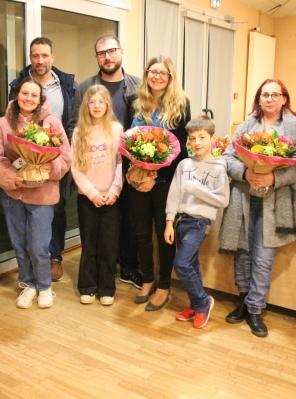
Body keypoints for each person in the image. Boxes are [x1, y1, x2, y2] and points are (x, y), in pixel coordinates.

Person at [219, 78, 296, 337]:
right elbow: (227, 157)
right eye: (265, 95)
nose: (269, 99)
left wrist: (274, 178)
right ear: (259, 99)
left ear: (284, 99)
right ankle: (244, 301)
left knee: (262, 258)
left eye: (275, 95)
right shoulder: (247, 125)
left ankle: (256, 308)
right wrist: (245, 174)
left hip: (275, 203)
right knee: (242, 254)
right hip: (244, 199)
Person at [0, 77, 71, 309]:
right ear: (17, 95)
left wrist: (47, 168)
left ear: (41, 99)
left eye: (34, 95)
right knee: (20, 244)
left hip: (43, 195)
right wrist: (14, 178)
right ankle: (27, 284)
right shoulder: (2, 124)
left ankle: (44, 286)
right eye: (25, 93)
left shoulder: (51, 123)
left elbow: (65, 157)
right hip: (13, 195)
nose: (29, 98)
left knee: (39, 245)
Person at [68, 34, 143, 289]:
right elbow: (74, 126)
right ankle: (94, 281)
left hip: (124, 171)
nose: (107, 56)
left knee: (125, 228)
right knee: (93, 236)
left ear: (121, 51)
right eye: (101, 52)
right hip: (92, 173)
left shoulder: (136, 86)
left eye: (111, 50)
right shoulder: (84, 88)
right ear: (97, 57)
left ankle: (125, 270)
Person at [9, 37, 77, 283]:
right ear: (30, 58)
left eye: (44, 55)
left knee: (56, 209)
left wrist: (59, 156)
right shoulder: (18, 84)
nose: (40, 60)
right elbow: (13, 118)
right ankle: (30, 263)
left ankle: (54, 257)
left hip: (55, 156)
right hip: (23, 159)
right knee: (25, 211)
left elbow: (72, 120)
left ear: (52, 57)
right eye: (35, 56)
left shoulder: (67, 84)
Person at [128, 55, 191, 311]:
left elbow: (180, 149)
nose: (156, 76)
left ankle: (164, 285)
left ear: (170, 77)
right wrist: (132, 172)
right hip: (138, 177)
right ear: (146, 74)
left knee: (163, 233)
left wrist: (157, 177)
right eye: (152, 71)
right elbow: (129, 139)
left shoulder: (181, 104)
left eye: (162, 73)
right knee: (141, 232)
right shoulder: (136, 101)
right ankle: (147, 279)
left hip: (165, 181)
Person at [165, 114, 229, 328]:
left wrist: (196, 189)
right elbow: (174, 194)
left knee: (181, 263)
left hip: (199, 223)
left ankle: (203, 302)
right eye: (192, 138)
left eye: (201, 137)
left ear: (212, 138)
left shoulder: (219, 167)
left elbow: (223, 199)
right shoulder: (184, 164)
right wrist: (169, 221)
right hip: (181, 221)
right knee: (191, 264)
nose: (197, 143)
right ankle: (195, 303)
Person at [70, 85, 123, 306]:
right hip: (87, 198)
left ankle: (107, 288)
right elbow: (75, 167)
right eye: (92, 102)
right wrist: (91, 193)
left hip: (111, 197)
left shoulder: (117, 129)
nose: (97, 106)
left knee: (108, 244)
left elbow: (122, 163)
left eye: (101, 101)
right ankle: (88, 286)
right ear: (86, 105)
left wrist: (114, 190)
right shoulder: (79, 131)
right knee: (89, 243)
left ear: (108, 105)